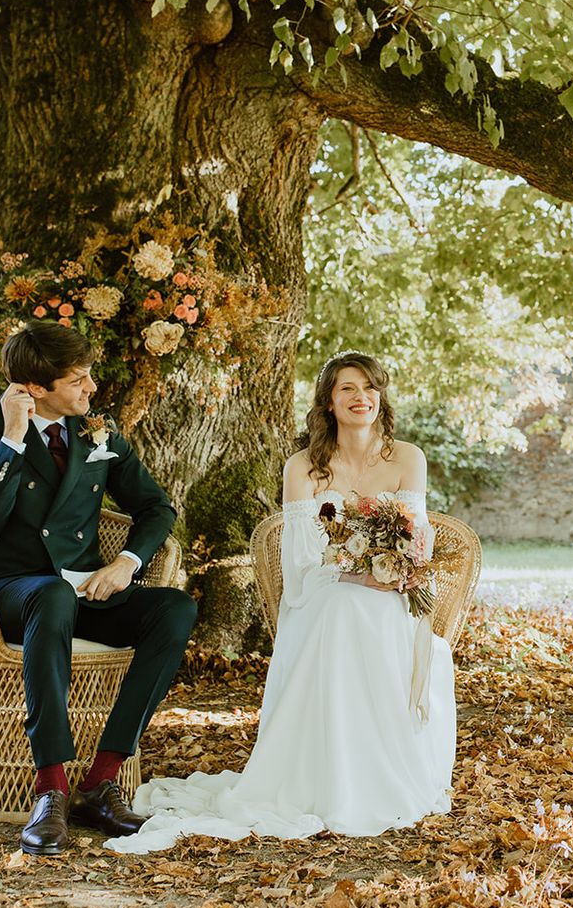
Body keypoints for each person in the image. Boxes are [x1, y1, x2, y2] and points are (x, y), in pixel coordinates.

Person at [106, 353, 456, 853]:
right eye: (348, 389)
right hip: (321, 588)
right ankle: (329, 777)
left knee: (367, 610)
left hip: (391, 590)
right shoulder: (304, 467)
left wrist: (392, 570)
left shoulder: (407, 458)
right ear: (329, 402)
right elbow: (302, 560)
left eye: (370, 388)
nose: (361, 398)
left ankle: (381, 772)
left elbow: (415, 537)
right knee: (342, 608)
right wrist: (355, 573)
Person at [0, 320, 194, 856]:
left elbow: (156, 507)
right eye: (78, 380)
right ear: (35, 388)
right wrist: (12, 440)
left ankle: (100, 783)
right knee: (52, 595)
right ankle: (51, 790)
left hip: (83, 591)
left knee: (175, 609)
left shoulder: (95, 430)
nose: (91, 388)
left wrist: (127, 562)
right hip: (15, 593)